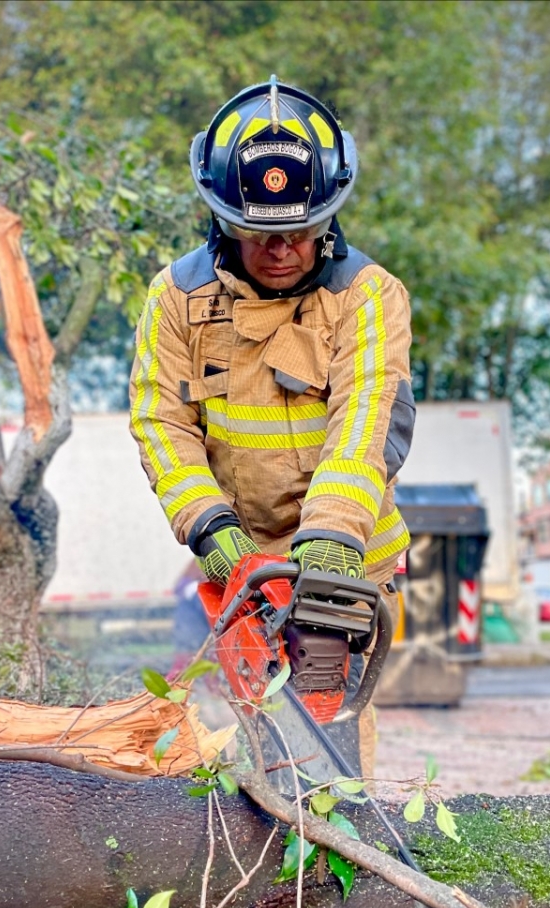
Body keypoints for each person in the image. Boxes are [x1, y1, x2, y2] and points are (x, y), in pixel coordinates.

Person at [129, 77, 416, 776]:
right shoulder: (177, 300)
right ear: (222, 216)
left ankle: (339, 850)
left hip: (348, 552)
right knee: (261, 724)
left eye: (301, 231)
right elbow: (160, 421)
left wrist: (331, 540)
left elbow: (366, 421)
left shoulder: (367, 296)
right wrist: (209, 527)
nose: (282, 248)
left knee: (328, 725)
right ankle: (268, 854)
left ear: (329, 216)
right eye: (261, 231)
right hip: (242, 554)